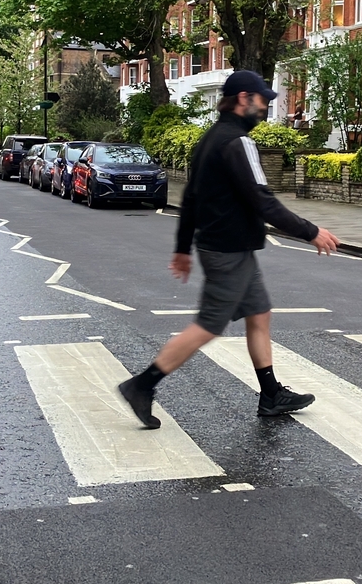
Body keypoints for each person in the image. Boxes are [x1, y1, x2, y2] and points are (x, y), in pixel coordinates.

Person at [118, 70, 341, 429]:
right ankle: (142, 385)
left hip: (227, 247)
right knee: (208, 326)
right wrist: (311, 231)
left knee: (259, 313)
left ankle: (271, 394)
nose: (266, 106)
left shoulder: (209, 139)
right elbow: (263, 201)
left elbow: (190, 199)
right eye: (262, 100)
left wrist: (182, 248)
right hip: (229, 250)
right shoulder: (238, 142)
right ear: (243, 99)